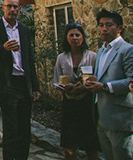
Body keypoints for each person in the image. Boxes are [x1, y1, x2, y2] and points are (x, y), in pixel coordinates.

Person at [0, 0, 40, 160]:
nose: (12, 10)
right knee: (11, 129)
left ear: (19, 9)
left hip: (23, 83)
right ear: (3, 8)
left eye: (15, 7)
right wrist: (3, 49)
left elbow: (29, 60)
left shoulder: (24, 30)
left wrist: (35, 87)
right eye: (9, 6)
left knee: (24, 129)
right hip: (7, 84)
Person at [85, 9, 132, 160]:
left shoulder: (128, 50)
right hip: (101, 116)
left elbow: (131, 81)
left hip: (120, 118)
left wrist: (105, 87)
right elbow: (101, 78)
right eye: (101, 25)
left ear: (119, 28)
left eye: (109, 25)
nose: (104, 29)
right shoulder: (100, 51)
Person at [54, 23, 99, 160]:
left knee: (90, 144)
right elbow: (56, 81)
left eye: (77, 35)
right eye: (71, 35)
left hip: (87, 104)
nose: (75, 38)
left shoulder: (92, 57)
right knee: (69, 144)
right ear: (67, 38)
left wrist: (83, 87)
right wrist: (67, 89)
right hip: (69, 103)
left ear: (82, 37)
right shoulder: (61, 58)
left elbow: (97, 78)